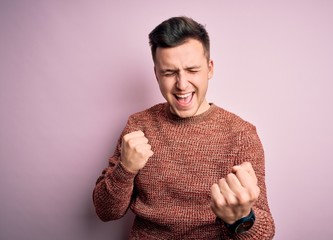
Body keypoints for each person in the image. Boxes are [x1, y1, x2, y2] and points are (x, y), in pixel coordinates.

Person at [93, 16, 275, 239]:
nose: (182, 84)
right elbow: (105, 212)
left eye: (192, 70)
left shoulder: (241, 135)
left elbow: (264, 234)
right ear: (156, 74)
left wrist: (242, 218)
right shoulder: (138, 126)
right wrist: (126, 168)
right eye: (169, 73)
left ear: (209, 69)